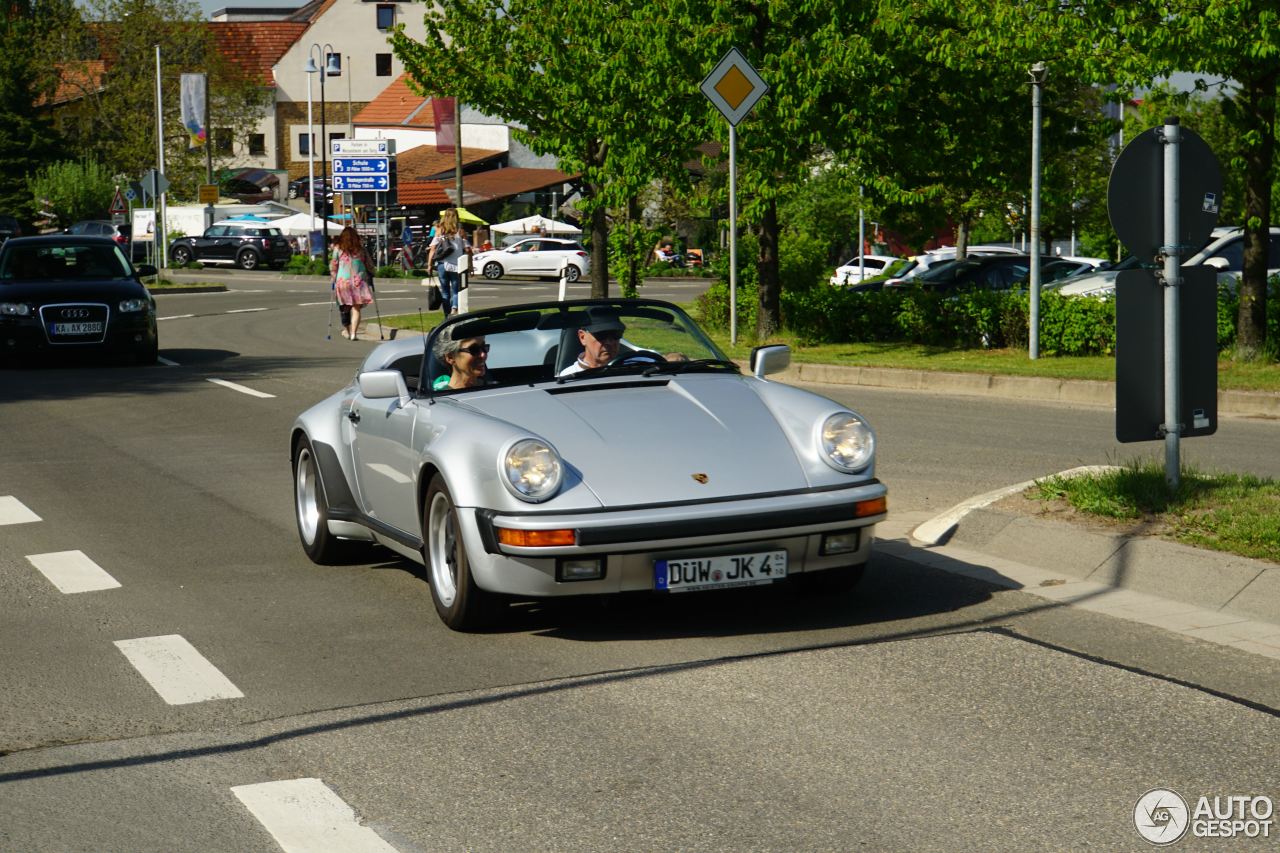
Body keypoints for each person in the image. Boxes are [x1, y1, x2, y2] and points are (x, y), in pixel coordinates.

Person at [330, 226, 374, 341]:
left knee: (345, 308)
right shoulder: (361, 249)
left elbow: (333, 265)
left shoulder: (338, 248)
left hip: (342, 282)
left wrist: (333, 277)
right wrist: (371, 273)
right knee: (356, 308)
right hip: (358, 282)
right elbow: (369, 264)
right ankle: (354, 333)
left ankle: (349, 331)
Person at [427, 208, 470, 318]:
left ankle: (447, 316)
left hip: (442, 265)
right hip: (457, 266)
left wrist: (429, 265)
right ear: (456, 217)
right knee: (456, 291)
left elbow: (432, 249)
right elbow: (468, 250)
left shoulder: (440, 230)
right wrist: (470, 265)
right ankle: (454, 308)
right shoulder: (460, 231)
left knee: (445, 292)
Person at [558, 307, 626, 376]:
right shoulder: (568, 377)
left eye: (616, 334)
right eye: (601, 335)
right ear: (582, 337)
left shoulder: (631, 369)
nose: (609, 342)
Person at [431, 325, 490, 390]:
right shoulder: (442, 397)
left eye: (484, 347)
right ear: (450, 357)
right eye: (474, 349)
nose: (483, 355)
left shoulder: (493, 388)